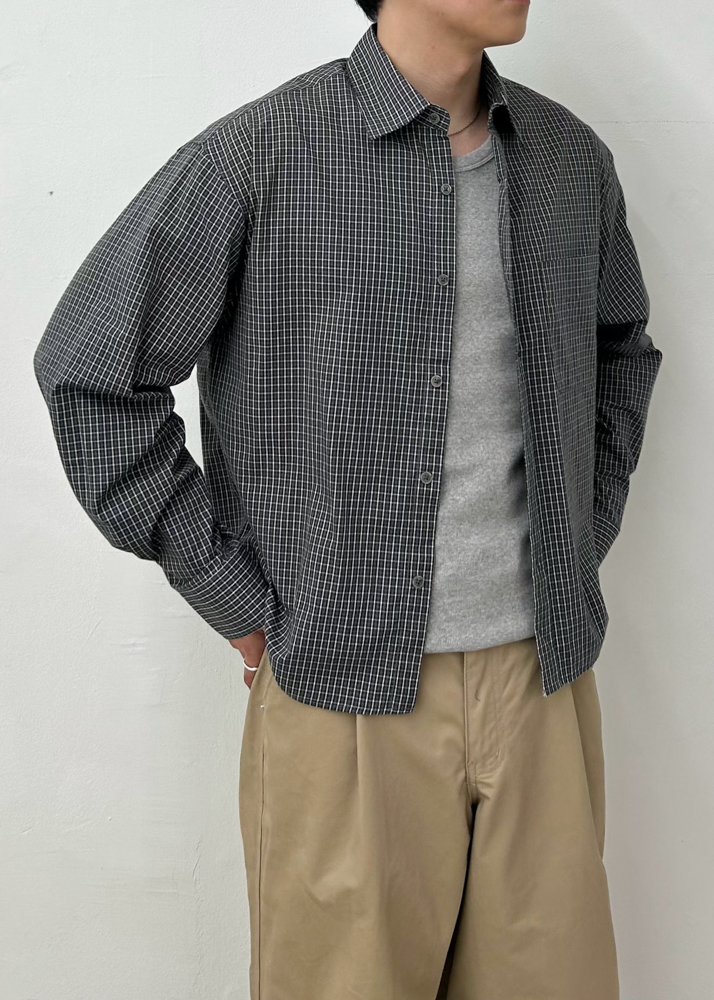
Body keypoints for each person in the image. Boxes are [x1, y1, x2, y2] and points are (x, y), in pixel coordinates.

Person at [33, 0, 663, 996]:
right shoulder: (260, 156)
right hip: (341, 698)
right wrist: (233, 595)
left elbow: (621, 350)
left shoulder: (566, 160)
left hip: (544, 688)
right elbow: (91, 370)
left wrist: (577, 539)